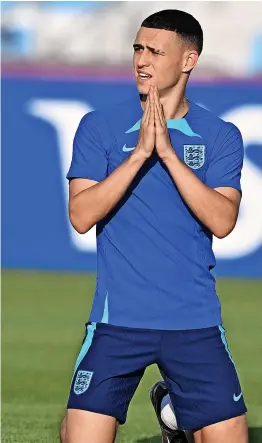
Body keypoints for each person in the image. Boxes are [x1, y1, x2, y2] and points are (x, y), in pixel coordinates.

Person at [61, 9, 248, 443]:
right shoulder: (100, 126)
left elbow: (223, 221)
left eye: (155, 51)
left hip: (193, 321)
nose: (142, 60)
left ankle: (175, 416)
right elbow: (81, 215)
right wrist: (139, 154)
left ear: (188, 61)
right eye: (138, 49)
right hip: (117, 320)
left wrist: (167, 153)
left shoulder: (220, 135)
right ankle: (174, 413)